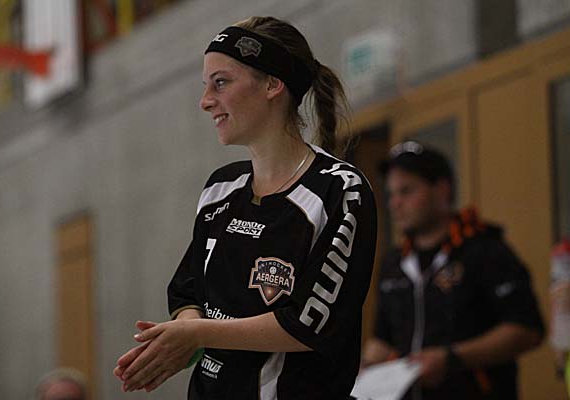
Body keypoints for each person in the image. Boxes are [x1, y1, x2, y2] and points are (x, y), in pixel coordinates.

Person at [114, 16, 377, 399]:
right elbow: (189, 291)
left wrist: (198, 333)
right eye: (205, 86)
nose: (205, 101)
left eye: (220, 82)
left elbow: (311, 322)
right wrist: (182, 336)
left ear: (272, 84)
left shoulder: (339, 190)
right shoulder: (220, 188)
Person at [361, 141, 544, 400]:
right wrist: (364, 368)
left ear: (442, 190)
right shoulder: (393, 263)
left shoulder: (485, 250)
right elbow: (383, 338)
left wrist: (451, 358)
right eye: (391, 194)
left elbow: (526, 329)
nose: (395, 203)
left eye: (407, 191)